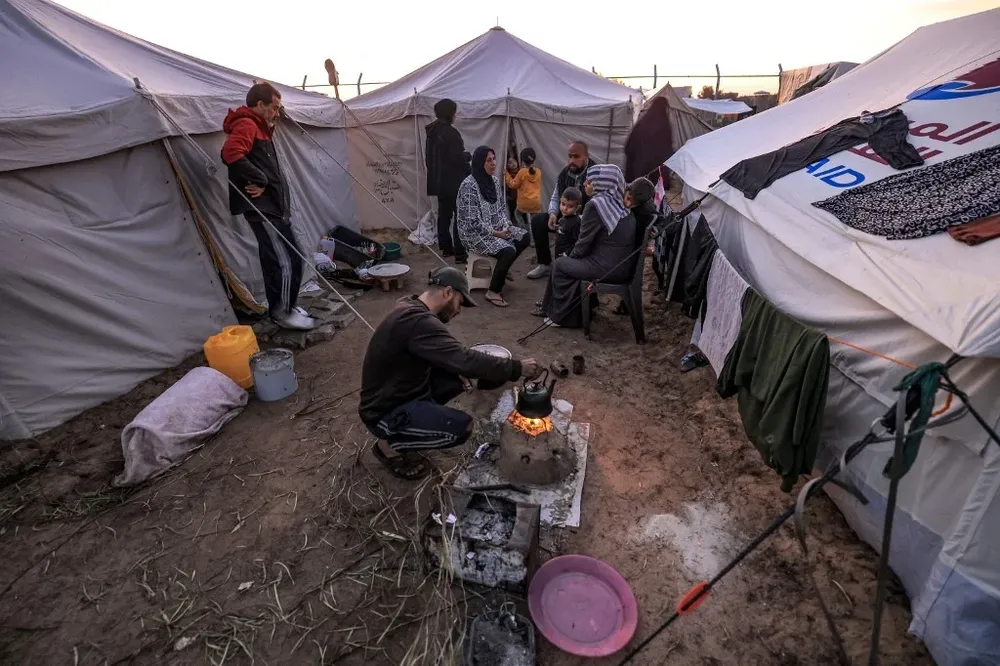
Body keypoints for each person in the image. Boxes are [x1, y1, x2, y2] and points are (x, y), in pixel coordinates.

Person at [359, 267, 540, 479]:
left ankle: (415, 424)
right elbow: (465, 358)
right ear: (447, 292)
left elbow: (450, 357)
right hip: (383, 412)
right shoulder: (418, 321)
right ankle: (388, 447)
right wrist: (517, 368)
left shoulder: (411, 307)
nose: (459, 311)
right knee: (462, 427)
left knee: (461, 376)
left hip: (403, 390)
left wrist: (462, 369)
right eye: (459, 303)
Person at [222, 82, 315, 331]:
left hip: (273, 206)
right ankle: (282, 313)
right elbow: (230, 153)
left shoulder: (260, 126)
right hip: (263, 209)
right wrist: (261, 180)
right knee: (285, 261)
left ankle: (287, 305)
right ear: (260, 105)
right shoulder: (247, 124)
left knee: (286, 258)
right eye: (274, 107)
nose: (277, 112)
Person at [533, 165, 637, 327]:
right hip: (620, 265)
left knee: (560, 264)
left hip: (606, 268)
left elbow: (583, 243)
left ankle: (564, 318)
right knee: (565, 262)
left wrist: (570, 257)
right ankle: (549, 307)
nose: (585, 183)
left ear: (601, 184)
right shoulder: (619, 202)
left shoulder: (596, 205)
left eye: (590, 180)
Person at [456, 147, 531, 308]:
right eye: (488, 160)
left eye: (494, 159)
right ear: (479, 163)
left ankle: (502, 268)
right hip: (473, 235)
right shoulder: (469, 186)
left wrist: (506, 225)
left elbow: (501, 209)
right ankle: (493, 291)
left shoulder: (494, 181)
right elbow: (472, 222)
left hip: (496, 228)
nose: (493, 163)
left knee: (524, 236)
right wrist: (497, 233)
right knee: (508, 251)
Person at [526, 142, 596, 279]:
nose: (571, 161)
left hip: (586, 220)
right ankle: (545, 264)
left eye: (576, 157)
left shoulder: (595, 173)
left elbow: (600, 202)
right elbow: (556, 196)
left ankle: (574, 267)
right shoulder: (565, 173)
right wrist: (552, 213)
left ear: (586, 156)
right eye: (570, 156)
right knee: (538, 220)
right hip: (566, 216)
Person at [425, 99, 471, 264]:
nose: (456, 114)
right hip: (453, 182)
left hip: (439, 182)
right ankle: (460, 254)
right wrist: (468, 156)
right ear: (449, 113)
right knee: (460, 216)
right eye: (454, 111)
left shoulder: (431, 133)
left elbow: (429, 159)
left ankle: (446, 248)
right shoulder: (451, 133)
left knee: (444, 216)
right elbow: (457, 158)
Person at [504, 148, 543, 228]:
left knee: (517, 213)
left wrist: (506, 174)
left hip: (524, 203)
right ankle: (534, 232)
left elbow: (513, 185)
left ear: (522, 161)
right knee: (534, 219)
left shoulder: (522, 172)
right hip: (536, 203)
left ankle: (524, 230)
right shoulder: (538, 172)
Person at [553, 187, 583, 259]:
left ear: (577, 207)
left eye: (570, 206)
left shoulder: (576, 223)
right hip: (559, 251)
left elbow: (577, 242)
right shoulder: (563, 218)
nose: (565, 208)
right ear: (560, 200)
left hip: (567, 256)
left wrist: (566, 253)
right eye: (563, 204)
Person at [504, 157, 520, 222]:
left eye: (514, 161)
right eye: (510, 163)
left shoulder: (521, 172)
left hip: (521, 197)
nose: (513, 163)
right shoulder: (508, 175)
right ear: (507, 166)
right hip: (513, 198)